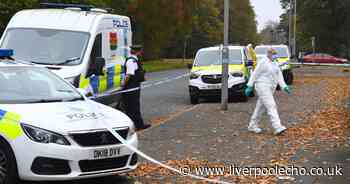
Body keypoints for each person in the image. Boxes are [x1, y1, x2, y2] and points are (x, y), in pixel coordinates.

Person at [245, 48, 291, 135]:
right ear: (268, 54)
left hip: (270, 88)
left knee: (260, 107)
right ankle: (277, 126)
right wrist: (249, 86)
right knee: (271, 105)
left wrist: (284, 86)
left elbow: (279, 76)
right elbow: (255, 73)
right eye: (273, 54)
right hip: (262, 85)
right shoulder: (263, 62)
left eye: (275, 54)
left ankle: (252, 125)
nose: (275, 56)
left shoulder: (275, 63)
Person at [122, 45, 151, 131]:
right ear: (138, 52)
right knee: (132, 106)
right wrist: (124, 83)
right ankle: (137, 125)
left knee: (130, 106)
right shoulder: (133, 61)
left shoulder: (132, 60)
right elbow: (129, 74)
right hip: (132, 86)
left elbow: (130, 74)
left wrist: (123, 84)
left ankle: (136, 124)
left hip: (132, 86)